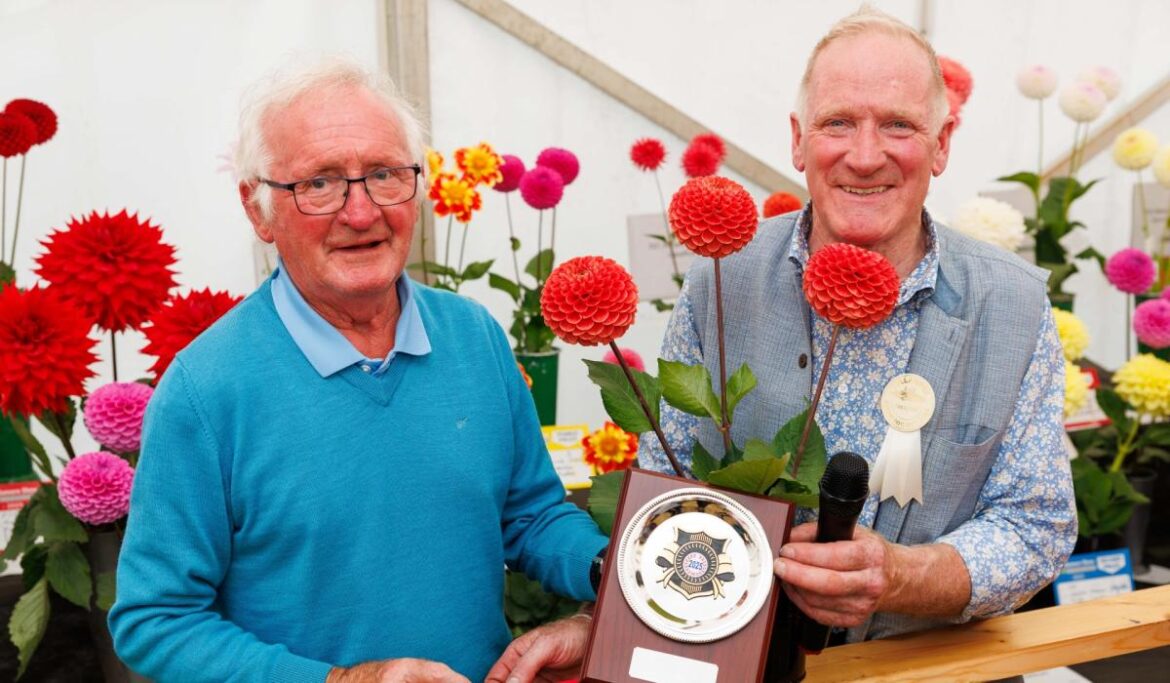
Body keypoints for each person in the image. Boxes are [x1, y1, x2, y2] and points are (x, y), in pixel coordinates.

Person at [109, 59, 607, 683]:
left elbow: (530, 514)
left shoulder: (472, 335)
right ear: (258, 210)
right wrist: (345, 681)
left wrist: (621, 573)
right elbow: (156, 621)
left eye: (384, 174)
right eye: (319, 183)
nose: (363, 211)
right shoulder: (206, 392)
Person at [641, 6, 1076, 642]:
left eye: (898, 125)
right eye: (838, 122)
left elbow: (1036, 526)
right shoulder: (721, 278)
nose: (865, 156)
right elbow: (663, 477)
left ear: (942, 144)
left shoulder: (1012, 306)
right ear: (797, 139)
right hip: (740, 657)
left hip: (926, 667)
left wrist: (902, 576)